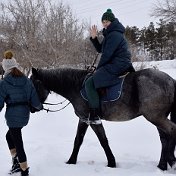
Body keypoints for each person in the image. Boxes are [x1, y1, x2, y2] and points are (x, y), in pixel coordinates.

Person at [85, 9, 135, 124]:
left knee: (90, 82)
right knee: (95, 77)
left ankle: (95, 114)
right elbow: (100, 50)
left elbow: (107, 55)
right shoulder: (110, 34)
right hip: (116, 62)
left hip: (119, 63)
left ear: (112, 21)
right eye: (103, 21)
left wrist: (98, 70)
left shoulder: (114, 34)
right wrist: (94, 38)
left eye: (107, 21)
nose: (104, 23)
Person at [0, 50, 43, 176]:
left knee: (18, 141)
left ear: (5, 67)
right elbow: (34, 98)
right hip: (24, 115)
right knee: (9, 136)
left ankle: (23, 169)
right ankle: (16, 162)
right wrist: (38, 107)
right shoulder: (26, 80)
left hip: (13, 116)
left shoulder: (4, 83)